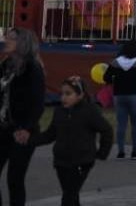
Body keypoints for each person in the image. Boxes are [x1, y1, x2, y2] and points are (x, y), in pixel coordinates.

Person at [31, 76, 112, 206]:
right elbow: (50, 134)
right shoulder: (59, 112)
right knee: (71, 196)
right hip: (61, 162)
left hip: (82, 161)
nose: (63, 97)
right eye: (62, 94)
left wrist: (102, 152)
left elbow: (106, 130)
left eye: (68, 94)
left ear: (80, 95)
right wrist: (30, 140)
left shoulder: (90, 111)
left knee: (68, 197)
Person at [0, 27, 45, 206]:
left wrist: (26, 127)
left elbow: (37, 102)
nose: (5, 40)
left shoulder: (32, 68)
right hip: (3, 127)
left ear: (22, 43)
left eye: (10, 38)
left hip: (22, 129)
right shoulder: (5, 65)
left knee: (15, 178)